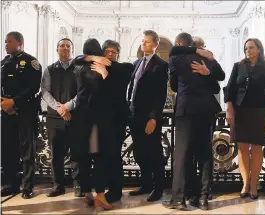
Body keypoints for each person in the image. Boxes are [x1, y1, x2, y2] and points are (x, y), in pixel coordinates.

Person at [162, 32, 225, 211]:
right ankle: (203, 198)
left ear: (180, 42)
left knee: (182, 155)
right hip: (206, 111)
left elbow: (173, 85)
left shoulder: (176, 56)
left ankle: (179, 198)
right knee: (205, 154)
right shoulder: (207, 57)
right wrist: (208, 71)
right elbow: (219, 78)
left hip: (186, 110)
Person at [75, 39, 133, 203]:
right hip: (102, 121)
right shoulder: (94, 66)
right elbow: (77, 59)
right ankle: (102, 191)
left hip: (117, 121)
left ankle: (115, 191)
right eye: (106, 51)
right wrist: (93, 59)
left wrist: (105, 73)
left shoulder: (124, 68)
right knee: (102, 157)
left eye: (113, 52)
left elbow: (115, 93)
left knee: (114, 157)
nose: (109, 54)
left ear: (117, 54)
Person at [224, 38, 265, 200]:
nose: (248, 50)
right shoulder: (238, 66)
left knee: (256, 149)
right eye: (246, 48)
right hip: (240, 112)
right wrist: (229, 109)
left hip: (259, 112)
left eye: (252, 47)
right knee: (241, 149)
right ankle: (245, 183)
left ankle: (254, 184)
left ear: (259, 49)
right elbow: (230, 89)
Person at [127, 30, 169, 202]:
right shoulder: (137, 63)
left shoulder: (161, 65)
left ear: (155, 44)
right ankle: (145, 184)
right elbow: (131, 87)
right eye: (142, 41)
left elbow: (161, 94)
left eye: (147, 42)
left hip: (149, 117)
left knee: (154, 153)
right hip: (134, 114)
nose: (143, 44)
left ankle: (158, 188)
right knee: (139, 152)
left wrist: (153, 117)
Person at [1, 31, 42, 199]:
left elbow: (33, 88)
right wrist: (4, 103)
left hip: (25, 113)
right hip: (6, 113)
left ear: (20, 42)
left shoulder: (31, 62)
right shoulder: (4, 63)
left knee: (27, 151)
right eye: (5, 41)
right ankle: (11, 184)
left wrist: (14, 102)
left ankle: (27, 187)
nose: (6, 44)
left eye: (9, 41)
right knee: (8, 150)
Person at [41, 38, 82, 197]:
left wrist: (68, 106)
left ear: (72, 50)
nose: (65, 49)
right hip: (55, 118)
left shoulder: (79, 69)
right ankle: (58, 185)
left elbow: (82, 92)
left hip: (75, 116)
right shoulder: (50, 69)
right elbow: (45, 91)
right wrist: (60, 108)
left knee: (77, 152)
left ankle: (78, 184)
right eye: (62, 46)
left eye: (68, 46)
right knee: (56, 153)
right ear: (57, 49)